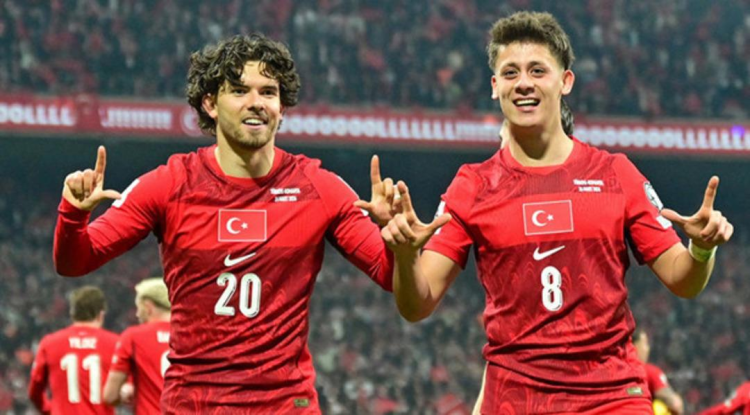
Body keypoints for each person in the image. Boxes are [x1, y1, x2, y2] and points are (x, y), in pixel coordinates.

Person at [381, 11, 733, 414]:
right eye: (510, 73)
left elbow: (683, 280)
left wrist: (701, 249)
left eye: (537, 70)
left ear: (565, 81)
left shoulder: (615, 174)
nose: (523, 83)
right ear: (495, 87)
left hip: (611, 397)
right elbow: (416, 305)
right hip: (515, 400)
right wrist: (406, 255)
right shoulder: (473, 185)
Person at [53, 33, 397, 414]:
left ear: (282, 106)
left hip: (287, 406)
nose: (256, 102)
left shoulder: (318, 188)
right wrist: (73, 214)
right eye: (239, 90)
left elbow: (390, 274)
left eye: (268, 92)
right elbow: (75, 262)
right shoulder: (169, 185)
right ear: (210, 103)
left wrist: (399, 241)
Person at [28, 286, 119, 415]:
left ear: (72, 314)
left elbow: (34, 391)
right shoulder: (115, 343)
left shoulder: (50, 343)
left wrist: (48, 409)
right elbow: (130, 388)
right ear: (101, 314)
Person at [102, 277, 172, 414]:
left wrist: (126, 392)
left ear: (148, 306)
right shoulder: (191, 334)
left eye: (138, 307)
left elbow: (110, 396)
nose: (137, 314)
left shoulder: (133, 337)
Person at [633, 329, 685, 415]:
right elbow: (675, 404)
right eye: (645, 343)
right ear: (634, 346)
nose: (648, 349)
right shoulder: (650, 372)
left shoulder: (617, 371)